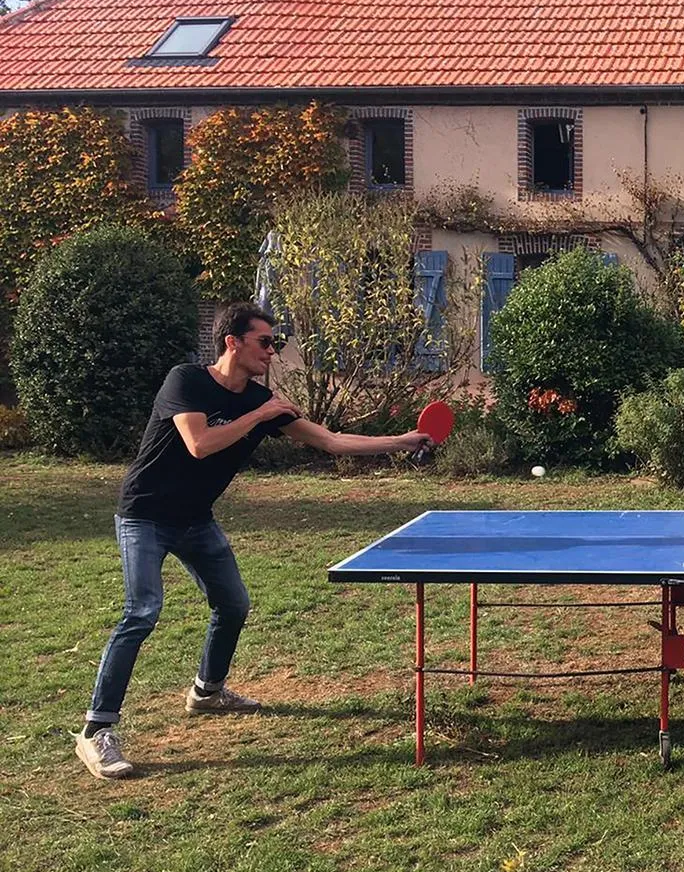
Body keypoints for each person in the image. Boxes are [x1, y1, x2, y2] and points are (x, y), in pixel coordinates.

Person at [75, 302, 432, 780]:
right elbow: (199, 444)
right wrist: (261, 412)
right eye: (265, 342)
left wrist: (402, 440)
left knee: (234, 604)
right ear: (233, 342)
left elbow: (330, 441)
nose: (272, 350)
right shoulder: (186, 380)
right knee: (142, 611)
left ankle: (208, 691)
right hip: (145, 515)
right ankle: (97, 731)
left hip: (195, 519)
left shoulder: (261, 402)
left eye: (274, 342)